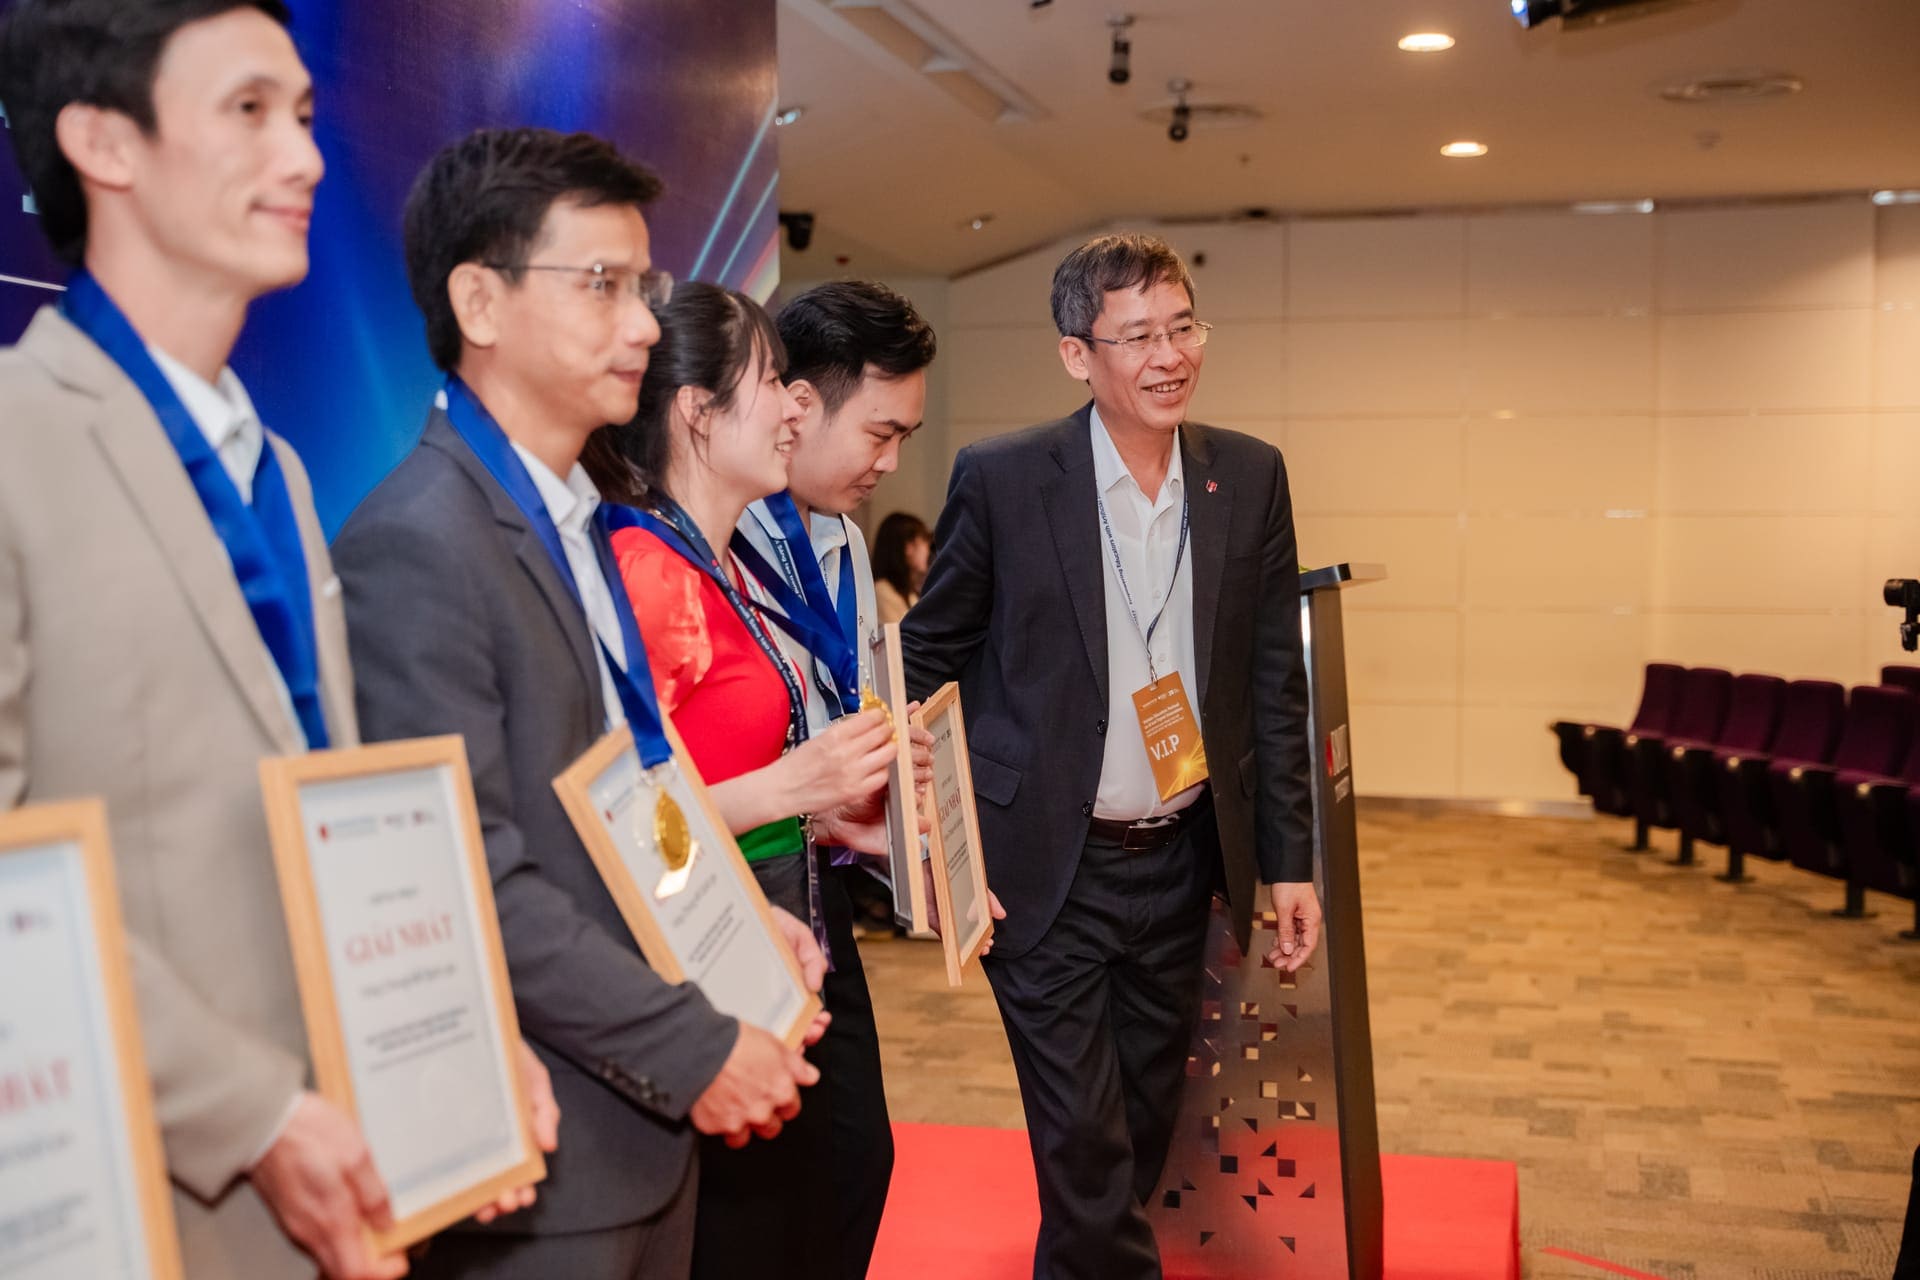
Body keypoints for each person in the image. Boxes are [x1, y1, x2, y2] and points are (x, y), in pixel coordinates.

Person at [0, 5, 553, 1278]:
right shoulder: (20, 439)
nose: (304, 156)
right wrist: (247, 1111)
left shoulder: (283, 473)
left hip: (338, 1165)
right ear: (102, 141)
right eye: (249, 111)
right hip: (145, 1191)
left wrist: (461, 1033)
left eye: (303, 115)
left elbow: (328, 807)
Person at [332, 128, 823, 1280]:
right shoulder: (419, 541)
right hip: (548, 1160)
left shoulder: (578, 525)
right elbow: (471, 880)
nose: (644, 326)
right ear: (479, 302)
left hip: (638, 1137)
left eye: (642, 288)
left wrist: (737, 924)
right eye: (602, 284)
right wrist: (695, 1046)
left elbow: (629, 794)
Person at [900, 232, 1324, 1280]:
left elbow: (1273, 687)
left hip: (1181, 858)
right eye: (1137, 335)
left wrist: (1290, 861)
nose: (1169, 355)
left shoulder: (1248, 476)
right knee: (1085, 1144)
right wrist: (931, 843)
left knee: (1136, 1126)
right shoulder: (1004, 478)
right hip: (1043, 867)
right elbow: (927, 658)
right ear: (1076, 355)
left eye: (1183, 327)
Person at [586, 281, 907, 1280]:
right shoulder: (652, 572)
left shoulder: (719, 567)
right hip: (698, 951)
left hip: (762, 930)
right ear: (696, 409)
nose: (794, 408)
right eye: (773, 382)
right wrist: (794, 787)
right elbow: (617, 819)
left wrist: (838, 818)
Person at [871, 511, 931, 625]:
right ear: (908, 547)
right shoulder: (882, 591)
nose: (927, 549)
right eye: (924, 540)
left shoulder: (910, 592)